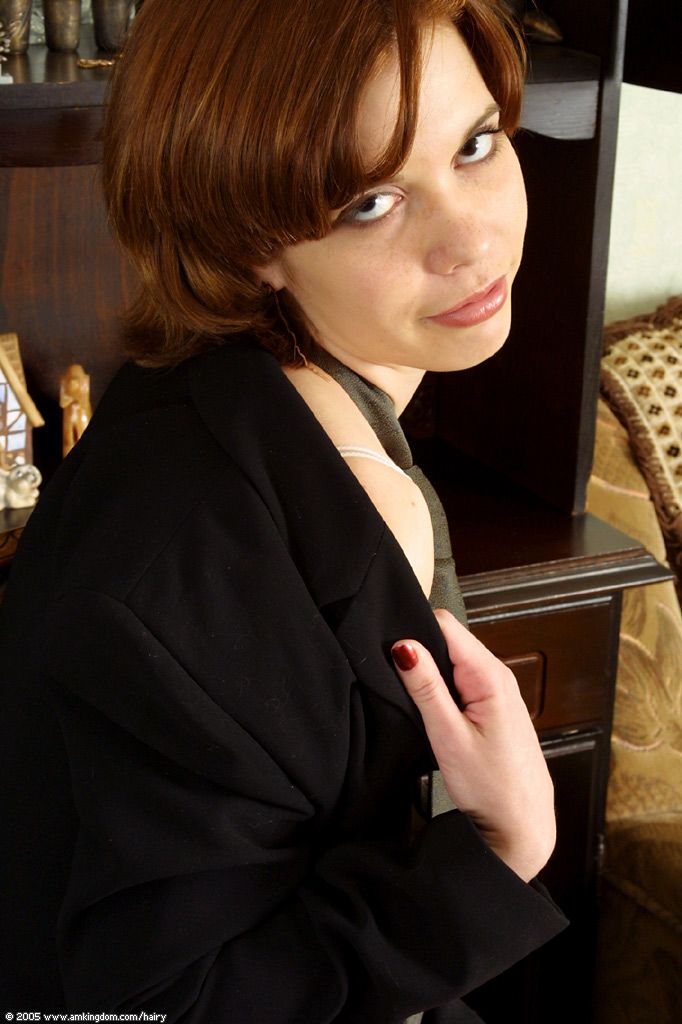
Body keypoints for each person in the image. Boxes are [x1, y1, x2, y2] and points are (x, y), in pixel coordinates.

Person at [0, 1, 567, 1020]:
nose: (470, 237)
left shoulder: (221, 388)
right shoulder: (281, 510)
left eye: (475, 144)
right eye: (370, 202)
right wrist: (501, 847)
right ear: (242, 242)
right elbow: (163, 1002)